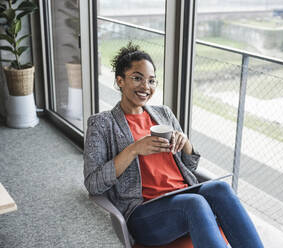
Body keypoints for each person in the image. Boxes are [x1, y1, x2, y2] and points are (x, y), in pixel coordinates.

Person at [84, 42, 263, 248]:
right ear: (120, 81)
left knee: (220, 188)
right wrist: (134, 149)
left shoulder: (164, 114)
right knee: (194, 204)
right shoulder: (102, 123)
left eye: (151, 81)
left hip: (182, 194)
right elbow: (93, 183)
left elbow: (191, 166)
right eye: (137, 78)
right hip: (144, 212)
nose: (145, 87)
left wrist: (185, 143)